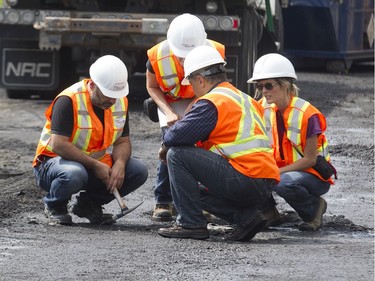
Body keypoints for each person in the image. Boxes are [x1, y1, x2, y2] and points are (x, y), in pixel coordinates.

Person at [156, 45, 280, 241]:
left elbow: (175, 137)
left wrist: (164, 147)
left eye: (191, 83)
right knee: (186, 189)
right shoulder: (244, 99)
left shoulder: (213, 101)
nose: (192, 89)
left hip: (244, 178)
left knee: (176, 154)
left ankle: (190, 224)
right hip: (264, 183)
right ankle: (247, 218)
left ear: (201, 80)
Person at [32, 55, 148, 225]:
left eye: (115, 95)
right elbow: (58, 144)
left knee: (138, 171)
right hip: (53, 165)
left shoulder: (119, 101)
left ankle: (88, 204)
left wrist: (120, 164)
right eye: (108, 95)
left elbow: (122, 142)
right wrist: (94, 165)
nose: (112, 100)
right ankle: (55, 205)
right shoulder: (69, 100)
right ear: (93, 85)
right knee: (74, 174)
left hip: (93, 164)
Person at [145, 13, 225, 221]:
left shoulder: (216, 51)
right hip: (171, 104)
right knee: (171, 144)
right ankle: (163, 200)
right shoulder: (157, 55)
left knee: (204, 149)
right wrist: (168, 112)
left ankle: (204, 201)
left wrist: (193, 110)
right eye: (180, 55)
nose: (183, 60)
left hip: (202, 101)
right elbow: (152, 87)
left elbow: (216, 86)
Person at [247, 53, 334, 231]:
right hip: (283, 171)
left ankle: (313, 209)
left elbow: (310, 159)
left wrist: (275, 172)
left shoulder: (307, 114)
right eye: (260, 86)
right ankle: (269, 213)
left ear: (285, 85)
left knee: (284, 182)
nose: (264, 91)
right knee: (248, 171)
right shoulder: (261, 109)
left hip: (313, 175)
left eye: (269, 85)